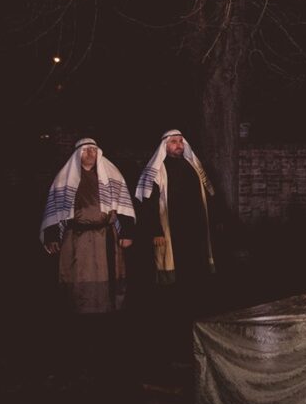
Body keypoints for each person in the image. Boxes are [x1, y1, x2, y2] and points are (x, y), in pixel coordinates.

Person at [41, 138, 136, 313]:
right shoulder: (64, 179)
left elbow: (123, 205)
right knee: (79, 278)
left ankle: (107, 311)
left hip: (106, 236)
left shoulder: (111, 176)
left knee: (109, 276)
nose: (90, 153)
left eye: (93, 149)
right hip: (76, 240)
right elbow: (54, 209)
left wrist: (127, 232)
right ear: (77, 154)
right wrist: (52, 236)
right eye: (85, 150)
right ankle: (79, 313)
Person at [136, 130, 216, 286]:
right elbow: (149, 202)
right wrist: (156, 230)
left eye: (180, 141)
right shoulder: (157, 170)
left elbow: (208, 194)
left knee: (198, 266)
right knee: (177, 271)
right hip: (173, 227)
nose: (179, 145)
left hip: (196, 226)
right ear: (164, 146)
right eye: (173, 142)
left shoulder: (193, 166)